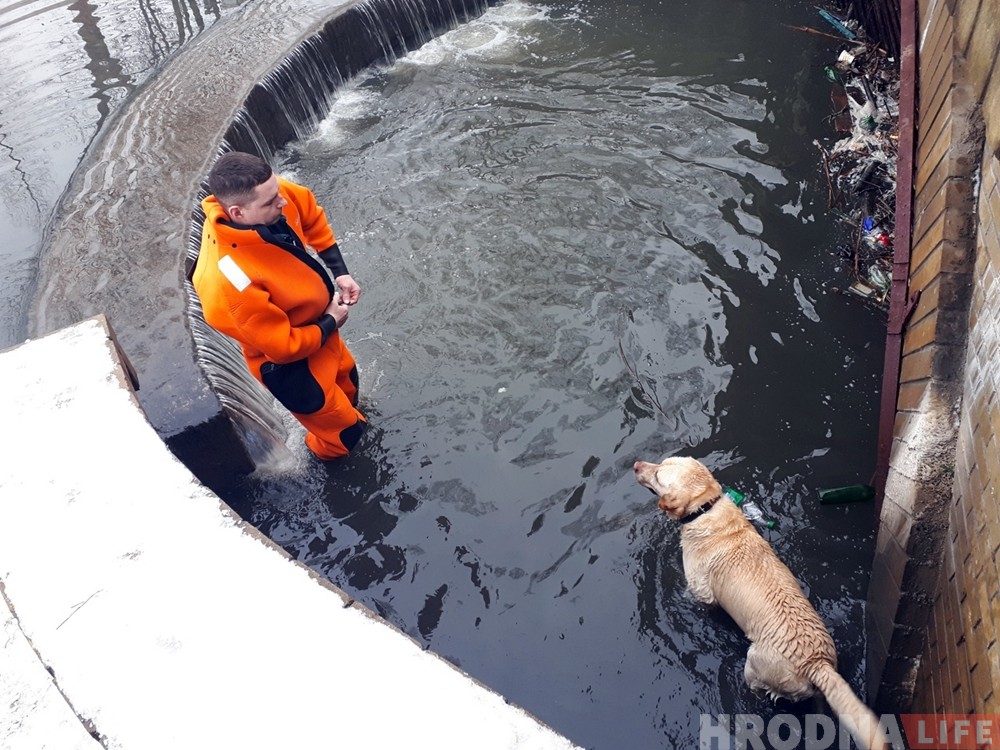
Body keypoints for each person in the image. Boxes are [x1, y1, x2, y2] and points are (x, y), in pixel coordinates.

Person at [192, 150, 366, 460]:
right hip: (293, 368)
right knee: (345, 439)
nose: (282, 201)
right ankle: (327, 467)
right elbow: (283, 347)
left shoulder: (269, 194)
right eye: (271, 202)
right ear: (238, 213)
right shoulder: (228, 286)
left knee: (351, 389)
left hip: (321, 335)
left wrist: (341, 272)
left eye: (277, 192)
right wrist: (330, 321)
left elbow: (310, 213)